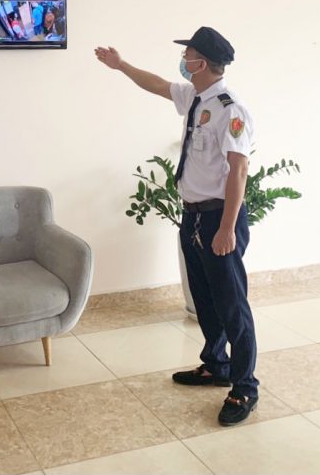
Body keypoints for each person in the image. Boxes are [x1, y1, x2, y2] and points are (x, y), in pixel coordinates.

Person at [94, 26, 259, 426]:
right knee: (204, 297)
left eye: (188, 54)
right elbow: (157, 84)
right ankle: (216, 365)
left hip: (219, 217)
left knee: (232, 305)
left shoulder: (230, 109)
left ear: (202, 63)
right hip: (193, 215)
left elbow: (239, 171)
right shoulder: (195, 97)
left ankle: (244, 387)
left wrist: (227, 229)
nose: (183, 60)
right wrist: (120, 65)